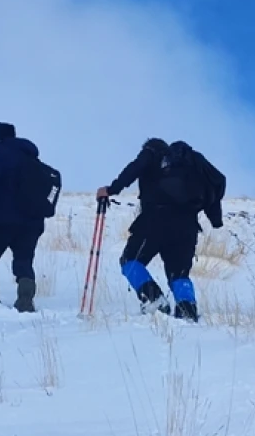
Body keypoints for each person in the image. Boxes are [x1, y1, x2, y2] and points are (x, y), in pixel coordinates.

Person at [95, 138, 225, 322]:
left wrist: (111, 189)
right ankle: (187, 310)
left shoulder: (153, 152)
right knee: (179, 274)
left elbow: (134, 168)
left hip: (155, 220)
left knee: (130, 260)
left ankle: (154, 300)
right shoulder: (192, 163)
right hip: (187, 225)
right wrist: (215, 219)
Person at [0, 123, 47, 312]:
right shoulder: (31, 157)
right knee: (24, 261)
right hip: (31, 221)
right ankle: (25, 301)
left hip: (1, 221)